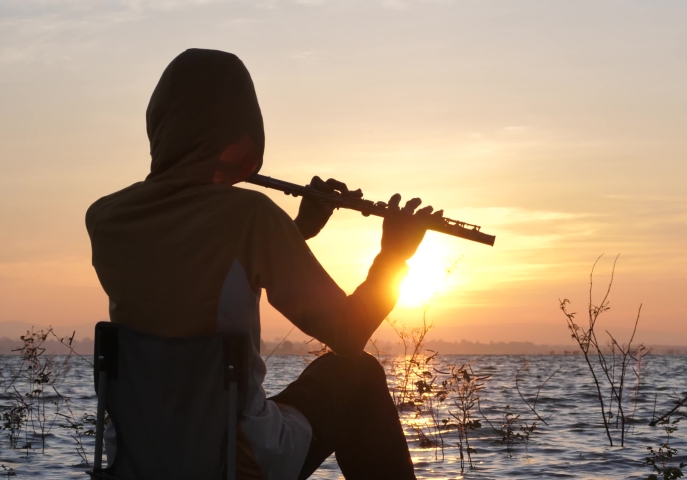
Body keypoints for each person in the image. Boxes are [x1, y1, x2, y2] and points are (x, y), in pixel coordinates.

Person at [86, 48, 438, 479]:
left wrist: (293, 232)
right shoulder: (250, 215)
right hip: (235, 462)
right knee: (356, 373)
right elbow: (348, 332)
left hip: (140, 461)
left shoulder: (106, 219)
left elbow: (193, 270)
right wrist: (393, 257)